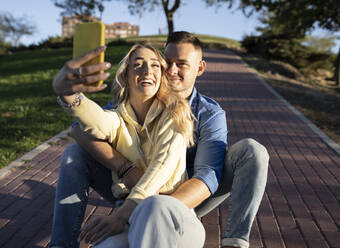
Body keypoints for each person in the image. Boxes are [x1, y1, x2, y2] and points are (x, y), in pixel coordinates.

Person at [50, 31, 269, 248]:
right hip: (135, 191)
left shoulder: (202, 113)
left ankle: (234, 243)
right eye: (167, 63)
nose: (171, 71)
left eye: (181, 64)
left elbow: (206, 177)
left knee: (252, 151)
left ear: (199, 68)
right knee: (74, 153)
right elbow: (82, 128)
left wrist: (145, 208)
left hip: (185, 197)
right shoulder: (129, 105)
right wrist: (69, 95)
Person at [51, 43, 202, 248]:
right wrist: (69, 95)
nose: (147, 70)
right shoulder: (118, 118)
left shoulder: (176, 114)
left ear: (162, 75)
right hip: (131, 219)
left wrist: (119, 216)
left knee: (154, 204)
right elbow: (97, 122)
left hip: (172, 217)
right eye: (138, 65)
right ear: (126, 76)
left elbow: (161, 168)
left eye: (155, 65)